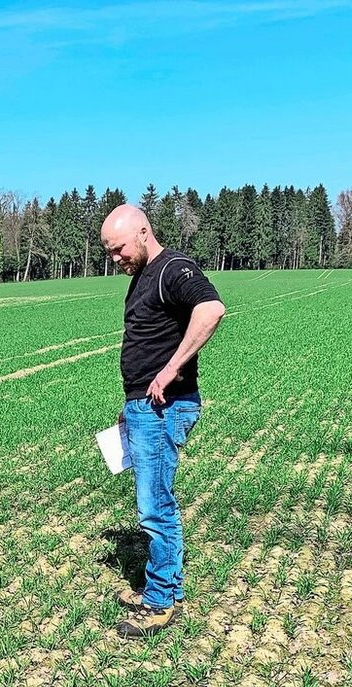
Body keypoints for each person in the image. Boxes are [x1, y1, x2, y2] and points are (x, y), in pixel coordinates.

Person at [100, 204, 226, 638]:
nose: (116, 259)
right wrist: (130, 404)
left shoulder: (174, 268)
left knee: (155, 507)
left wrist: (171, 370)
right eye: (110, 253)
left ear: (142, 231)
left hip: (164, 406)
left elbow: (211, 310)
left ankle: (161, 601)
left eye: (118, 250)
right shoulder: (142, 278)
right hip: (144, 407)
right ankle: (160, 588)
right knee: (152, 501)